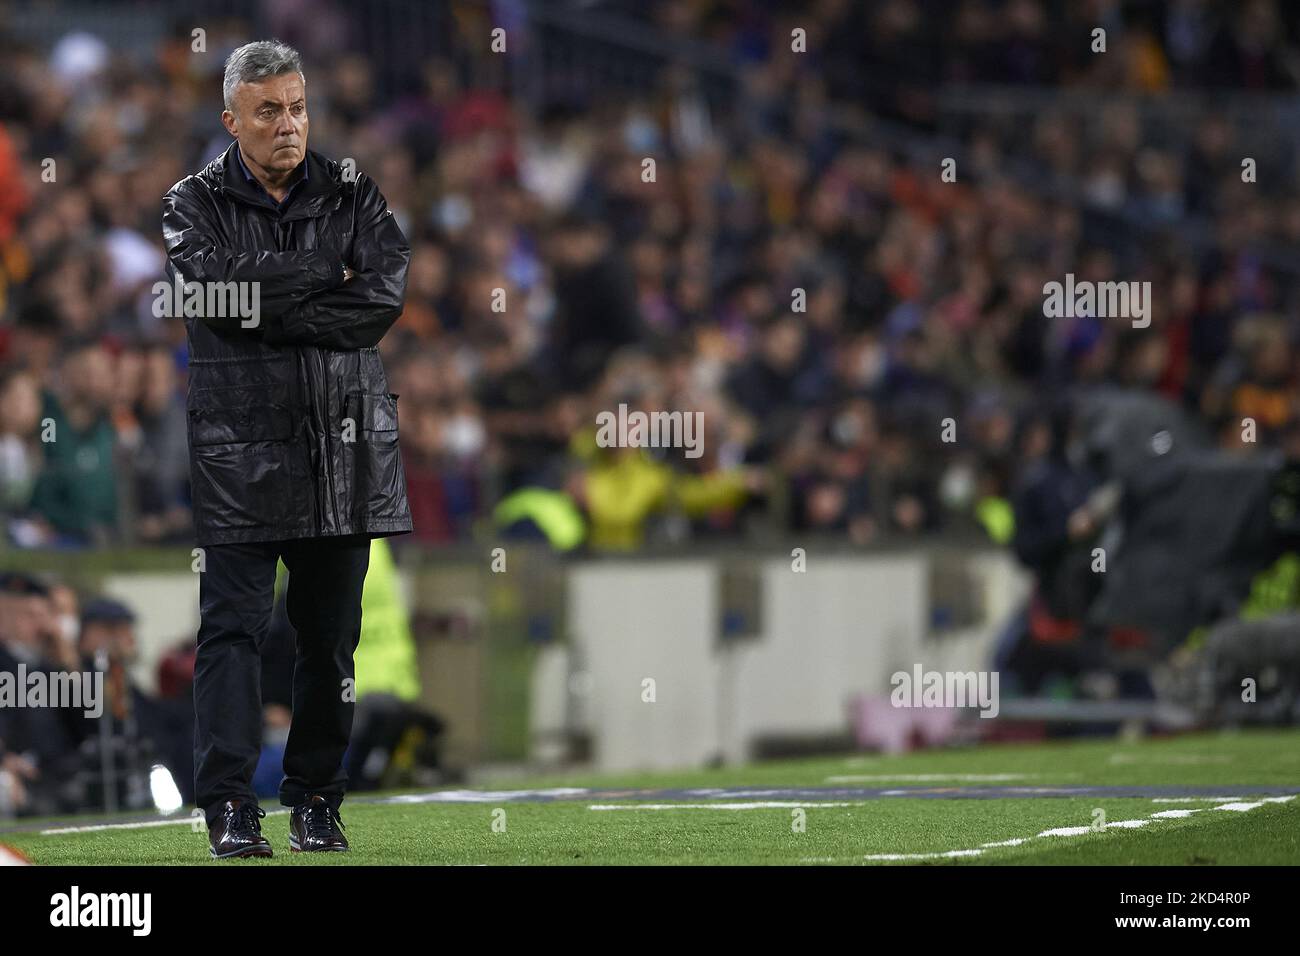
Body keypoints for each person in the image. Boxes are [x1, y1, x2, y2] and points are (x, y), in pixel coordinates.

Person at [161, 40, 412, 858]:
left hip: (343, 449)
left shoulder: (352, 191)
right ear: (231, 119)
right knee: (230, 631)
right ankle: (231, 806)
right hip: (238, 452)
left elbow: (380, 298)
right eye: (268, 111)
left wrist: (268, 299)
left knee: (329, 641)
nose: (288, 125)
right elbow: (208, 289)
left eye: (297, 107)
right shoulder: (190, 203)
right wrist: (318, 278)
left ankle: (315, 801)